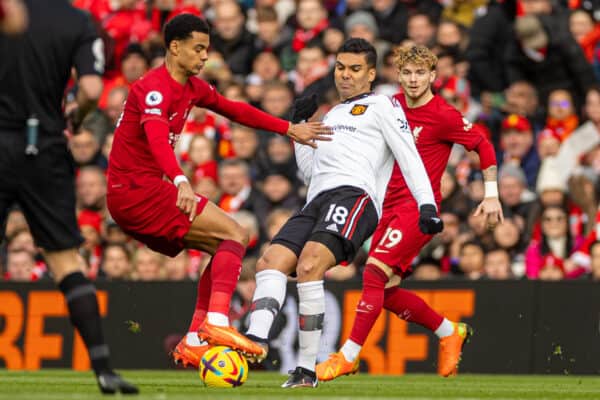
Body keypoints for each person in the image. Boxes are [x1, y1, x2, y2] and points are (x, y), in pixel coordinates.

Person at [105, 14, 331, 368]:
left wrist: (287, 128)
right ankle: (217, 323)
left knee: (223, 243)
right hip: (136, 191)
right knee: (236, 232)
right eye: (197, 49)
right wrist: (180, 179)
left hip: (140, 191)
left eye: (207, 50)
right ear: (174, 47)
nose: (204, 56)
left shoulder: (192, 87)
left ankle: (195, 340)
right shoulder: (152, 88)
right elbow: (154, 137)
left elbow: (235, 110)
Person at [244, 38, 440, 388]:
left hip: (355, 196)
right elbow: (311, 171)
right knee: (269, 261)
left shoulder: (383, 105)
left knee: (309, 264)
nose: (345, 76)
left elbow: (408, 154)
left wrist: (427, 203)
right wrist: (299, 127)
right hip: (316, 198)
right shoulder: (333, 113)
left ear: (371, 74)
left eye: (354, 69)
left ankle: (305, 368)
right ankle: (254, 341)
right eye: (340, 68)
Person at [316, 44, 503, 381]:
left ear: (433, 76)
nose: (414, 80)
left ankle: (348, 355)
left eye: (421, 73)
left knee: (372, 274)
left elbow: (483, 145)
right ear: (398, 76)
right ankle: (448, 331)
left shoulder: (443, 114)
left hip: (418, 209)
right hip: (384, 206)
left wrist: (491, 195)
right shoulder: (389, 107)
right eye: (407, 73)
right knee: (385, 291)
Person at [0, 0, 137, 394]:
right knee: (65, 260)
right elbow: (92, 88)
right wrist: (77, 114)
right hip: (44, 145)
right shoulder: (77, 21)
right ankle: (104, 370)